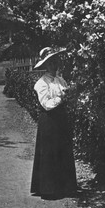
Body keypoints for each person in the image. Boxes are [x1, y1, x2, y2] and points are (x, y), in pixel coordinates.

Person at [30, 47, 77, 200]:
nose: (54, 65)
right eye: (50, 63)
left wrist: (70, 95)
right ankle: (49, 189)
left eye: (55, 62)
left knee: (62, 150)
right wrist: (62, 98)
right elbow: (47, 104)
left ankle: (65, 186)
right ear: (45, 65)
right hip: (49, 120)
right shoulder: (41, 83)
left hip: (61, 119)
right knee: (50, 152)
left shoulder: (59, 79)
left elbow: (66, 92)